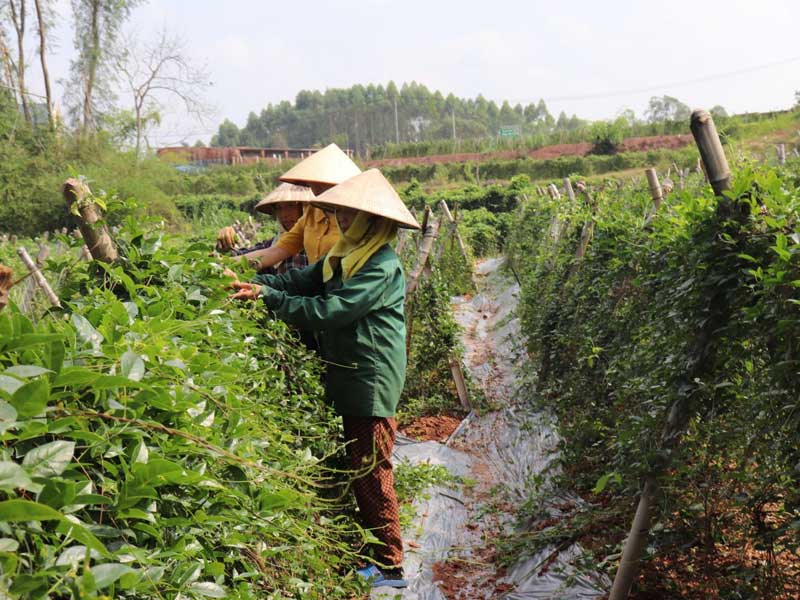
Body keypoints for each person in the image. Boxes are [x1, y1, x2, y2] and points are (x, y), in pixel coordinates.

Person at [228, 169, 420, 588]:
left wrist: (271, 298)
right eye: (341, 212)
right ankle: (378, 554)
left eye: (351, 214)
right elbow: (301, 278)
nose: (342, 220)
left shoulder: (380, 266)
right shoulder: (344, 256)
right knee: (362, 465)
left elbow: (332, 311)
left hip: (370, 375)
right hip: (351, 370)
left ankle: (391, 565)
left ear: (375, 221)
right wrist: (254, 284)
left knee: (372, 469)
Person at [240, 143, 361, 271]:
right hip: (318, 286)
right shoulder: (313, 213)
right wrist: (227, 264)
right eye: (313, 183)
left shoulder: (359, 215)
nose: (316, 189)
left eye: (323, 183)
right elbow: (278, 250)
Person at [216, 183, 312, 275]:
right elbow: (236, 257)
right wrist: (226, 239)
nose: (284, 215)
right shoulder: (273, 245)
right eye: (279, 208)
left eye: (291, 206)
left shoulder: (318, 244)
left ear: (306, 208)